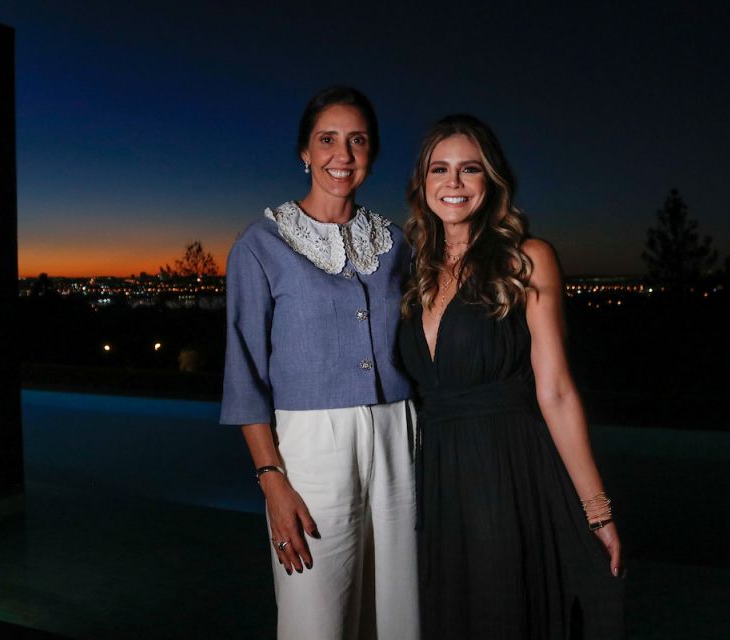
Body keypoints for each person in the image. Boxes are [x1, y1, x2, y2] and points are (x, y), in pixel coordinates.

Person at [397, 114, 625, 639]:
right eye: (440, 169)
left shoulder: (527, 259)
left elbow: (557, 391)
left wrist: (597, 509)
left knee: (504, 611)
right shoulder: (413, 272)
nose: (452, 183)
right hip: (435, 477)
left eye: (469, 169)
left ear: (491, 181)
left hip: (507, 466)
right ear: (423, 183)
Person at [220, 87, 420, 640]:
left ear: (372, 153)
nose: (343, 154)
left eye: (357, 141)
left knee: (399, 610)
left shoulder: (397, 244)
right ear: (304, 152)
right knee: (316, 616)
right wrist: (271, 480)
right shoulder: (261, 245)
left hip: (398, 436)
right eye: (327, 139)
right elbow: (244, 374)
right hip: (309, 443)